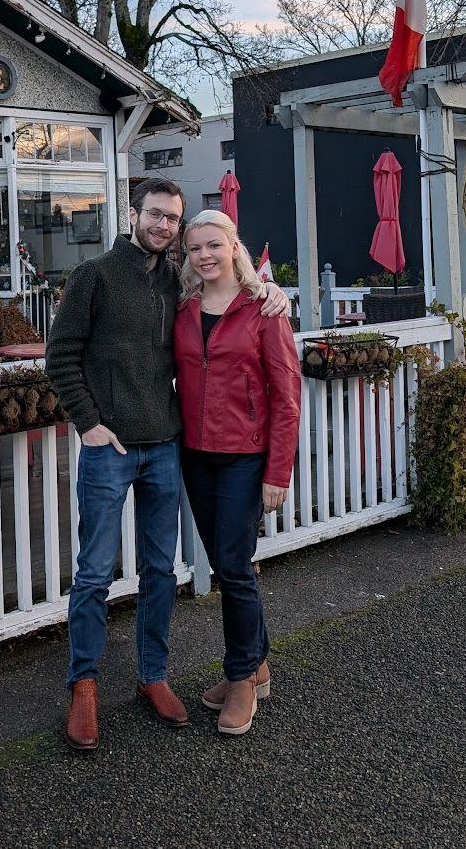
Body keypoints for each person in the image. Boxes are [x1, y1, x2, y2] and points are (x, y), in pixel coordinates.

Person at [45, 178, 289, 751]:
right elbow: (61, 357)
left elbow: (237, 309)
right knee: (94, 572)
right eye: (154, 214)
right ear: (134, 215)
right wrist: (89, 424)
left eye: (171, 219)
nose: (163, 226)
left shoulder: (179, 288)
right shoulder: (95, 277)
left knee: (161, 571)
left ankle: (153, 675)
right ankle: (83, 685)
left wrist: (271, 292)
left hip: (167, 448)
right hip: (111, 450)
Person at [173, 209, 301, 736]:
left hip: (245, 458)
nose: (204, 256)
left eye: (213, 246)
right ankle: (255, 663)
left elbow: (287, 398)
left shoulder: (264, 311)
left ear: (233, 248)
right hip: (196, 455)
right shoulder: (181, 309)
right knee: (228, 566)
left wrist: (278, 473)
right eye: (194, 248)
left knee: (233, 563)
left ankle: (241, 678)